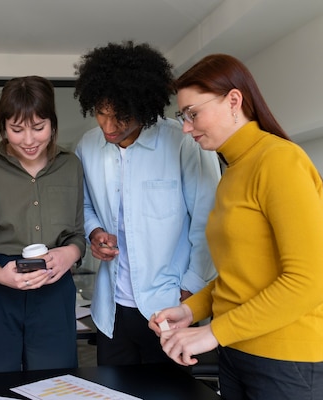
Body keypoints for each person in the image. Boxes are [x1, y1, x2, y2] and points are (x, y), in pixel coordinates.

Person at [150, 53, 323, 399]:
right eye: (182, 116)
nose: (185, 126)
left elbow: (307, 283)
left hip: (291, 364)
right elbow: (241, 276)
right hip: (238, 354)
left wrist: (212, 332)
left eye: (192, 114)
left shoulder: (280, 161)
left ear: (233, 101)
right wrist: (189, 310)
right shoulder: (233, 171)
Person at [73, 41, 220, 366]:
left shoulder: (182, 142)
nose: (108, 127)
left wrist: (191, 286)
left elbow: (208, 218)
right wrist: (94, 230)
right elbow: (82, 205)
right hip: (111, 308)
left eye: (121, 116)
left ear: (144, 107)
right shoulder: (88, 146)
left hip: (170, 303)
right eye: (101, 113)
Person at [0, 75, 86, 374]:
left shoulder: (71, 166)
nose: (29, 141)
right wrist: (1, 276)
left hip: (54, 288)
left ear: (53, 125)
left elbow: (77, 235)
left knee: (56, 385)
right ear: (3, 127)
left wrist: (69, 254)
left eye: (39, 128)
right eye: (17, 130)